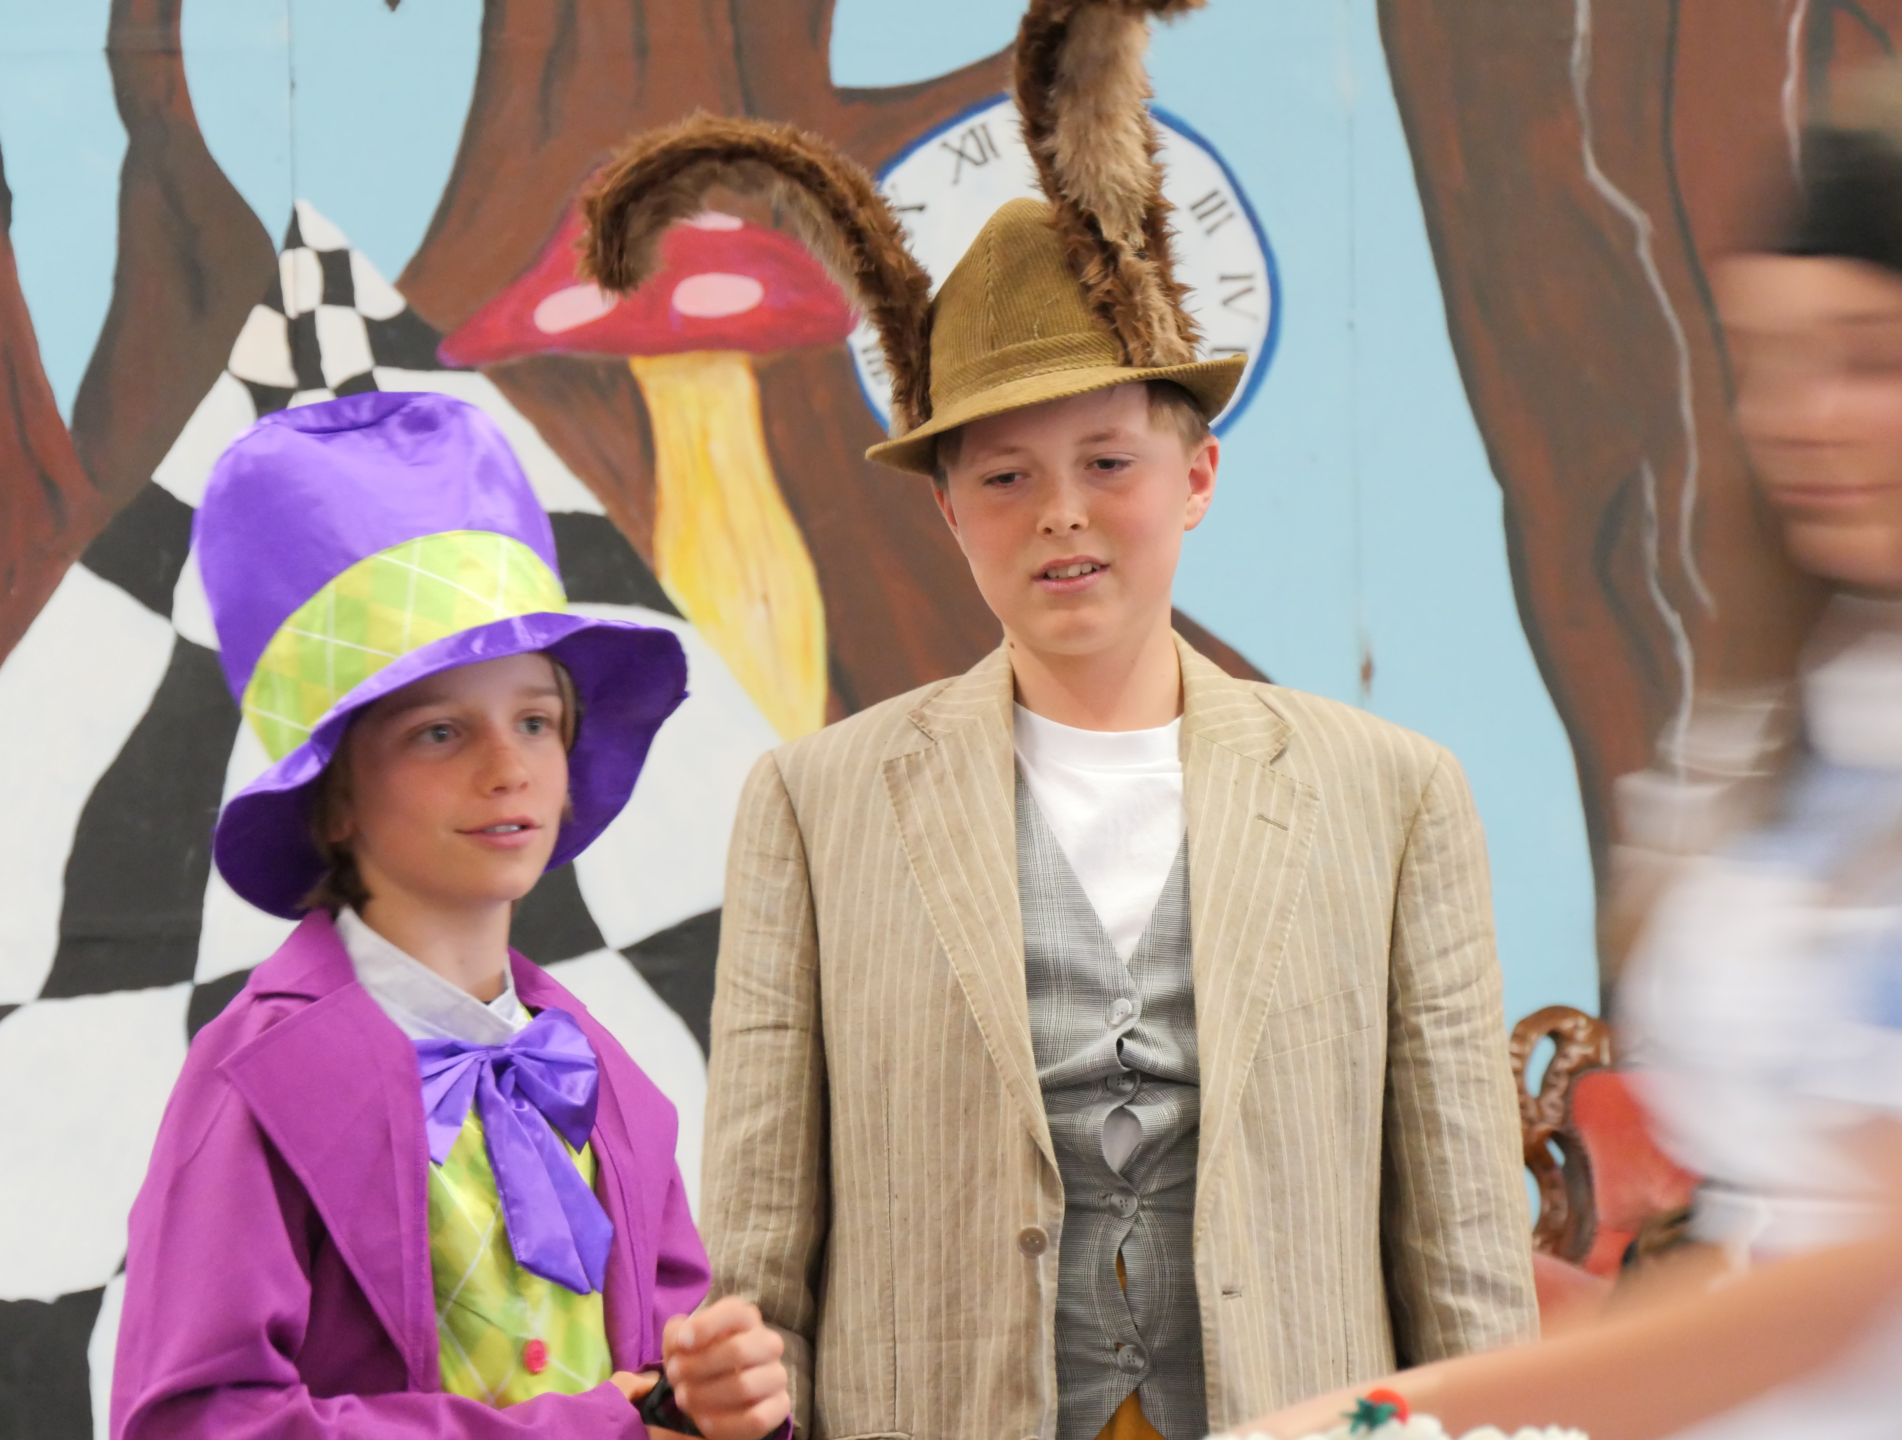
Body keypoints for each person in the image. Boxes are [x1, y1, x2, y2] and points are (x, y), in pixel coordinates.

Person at [579, 3, 1537, 1437]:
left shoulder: (1391, 794)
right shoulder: (815, 803)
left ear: (1196, 477)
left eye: (1108, 460)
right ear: (948, 511)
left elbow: (1462, 1251)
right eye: (1005, 477)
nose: (1062, 513)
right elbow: (762, 1257)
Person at [1237, 72, 1902, 1440]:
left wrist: (1384, 1413)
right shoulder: (1792, 716)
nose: (1802, 417)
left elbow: (1852, 1286)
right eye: (1766, 359)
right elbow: (1768, 1250)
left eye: (1866, 358)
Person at [110, 392, 792, 1440]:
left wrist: (720, 1406)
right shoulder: (254, 1081)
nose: (508, 766)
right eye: (439, 731)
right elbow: (195, 1422)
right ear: (334, 794)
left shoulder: (603, 1078)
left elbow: (660, 1391)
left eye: (536, 720)